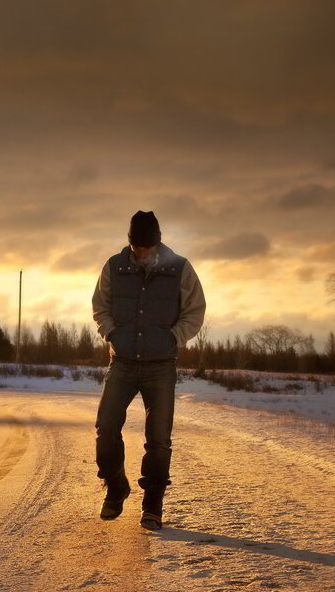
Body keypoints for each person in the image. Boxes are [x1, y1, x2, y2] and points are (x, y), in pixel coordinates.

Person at [91, 210, 205, 530]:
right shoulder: (115, 266)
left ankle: (153, 505)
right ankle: (116, 487)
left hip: (161, 365)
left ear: (158, 241)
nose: (144, 252)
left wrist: (174, 337)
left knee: (158, 439)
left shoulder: (179, 268)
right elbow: (100, 306)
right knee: (106, 427)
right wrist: (112, 334)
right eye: (139, 247)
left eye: (149, 246)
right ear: (130, 242)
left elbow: (195, 310)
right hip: (123, 361)